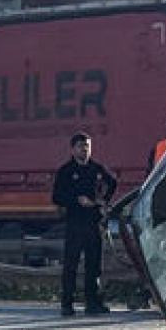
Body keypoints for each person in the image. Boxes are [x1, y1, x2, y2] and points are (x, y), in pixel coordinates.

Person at [51, 132, 117, 317]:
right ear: (73, 149)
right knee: (71, 265)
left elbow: (113, 182)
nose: (85, 149)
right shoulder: (65, 171)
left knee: (93, 265)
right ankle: (67, 303)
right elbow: (56, 197)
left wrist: (103, 200)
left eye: (87, 146)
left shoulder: (96, 168)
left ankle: (92, 303)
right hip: (74, 222)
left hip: (93, 222)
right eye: (81, 146)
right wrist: (76, 200)